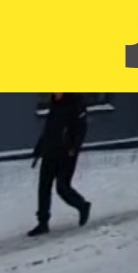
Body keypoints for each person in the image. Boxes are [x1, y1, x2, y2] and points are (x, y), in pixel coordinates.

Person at [29, 92, 91, 236]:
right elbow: (49, 130)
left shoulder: (76, 104)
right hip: (50, 151)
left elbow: (81, 129)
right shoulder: (55, 105)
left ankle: (82, 205)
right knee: (44, 187)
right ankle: (43, 222)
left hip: (66, 153)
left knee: (62, 187)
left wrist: (74, 146)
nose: (55, 92)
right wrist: (39, 148)